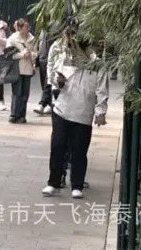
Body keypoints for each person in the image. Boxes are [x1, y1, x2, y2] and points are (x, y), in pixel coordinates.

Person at [42, 33, 108, 199]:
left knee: (79, 150)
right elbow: (53, 77)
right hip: (62, 108)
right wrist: (58, 82)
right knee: (57, 146)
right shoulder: (64, 57)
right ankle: (53, 183)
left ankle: (77, 185)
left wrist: (100, 111)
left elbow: (102, 89)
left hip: (84, 112)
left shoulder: (97, 65)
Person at [6, 18, 37, 124]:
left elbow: (36, 52)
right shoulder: (13, 39)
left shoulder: (32, 39)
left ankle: (22, 115)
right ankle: (14, 114)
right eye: (26, 27)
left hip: (28, 69)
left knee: (25, 93)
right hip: (17, 68)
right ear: (19, 28)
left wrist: (31, 55)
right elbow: (8, 54)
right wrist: (21, 55)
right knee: (17, 92)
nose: (28, 28)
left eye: (28, 26)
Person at [34, 21, 61, 115]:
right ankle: (48, 103)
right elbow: (39, 44)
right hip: (42, 58)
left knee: (48, 82)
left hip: (51, 59)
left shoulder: (56, 24)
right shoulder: (42, 29)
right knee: (44, 83)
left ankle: (43, 103)